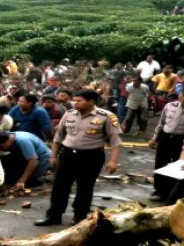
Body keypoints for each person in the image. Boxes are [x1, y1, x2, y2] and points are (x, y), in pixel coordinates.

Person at [35, 90, 122, 226]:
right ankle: (53, 216)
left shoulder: (107, 116)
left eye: (79, 101)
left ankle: (80, 217)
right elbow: (58, 137)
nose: (75, 103)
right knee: (59, 186)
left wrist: (113, 161)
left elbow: (115, 141)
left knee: (85, 187)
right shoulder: (69, 114)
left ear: (91, 102)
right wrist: (53, 156)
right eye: (74, 100)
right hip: (68, 154)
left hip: (91, 156)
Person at [149, 86, 184, 200]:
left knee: (176, 166)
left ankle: (169, 191)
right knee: (161, 163)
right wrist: (154, 138)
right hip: (166, 138)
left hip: (182, 141)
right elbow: (161, 123)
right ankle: (159, 189)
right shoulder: (169, 106)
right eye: (183, 94)